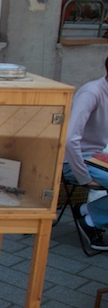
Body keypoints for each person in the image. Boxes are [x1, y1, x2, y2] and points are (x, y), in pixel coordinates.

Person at [64, 55, 108, 251]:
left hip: (97, 157)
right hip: (73, 160)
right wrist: (83, 178)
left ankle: (88, 212)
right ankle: (91, 221)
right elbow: (69, 139)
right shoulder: (92, 92)